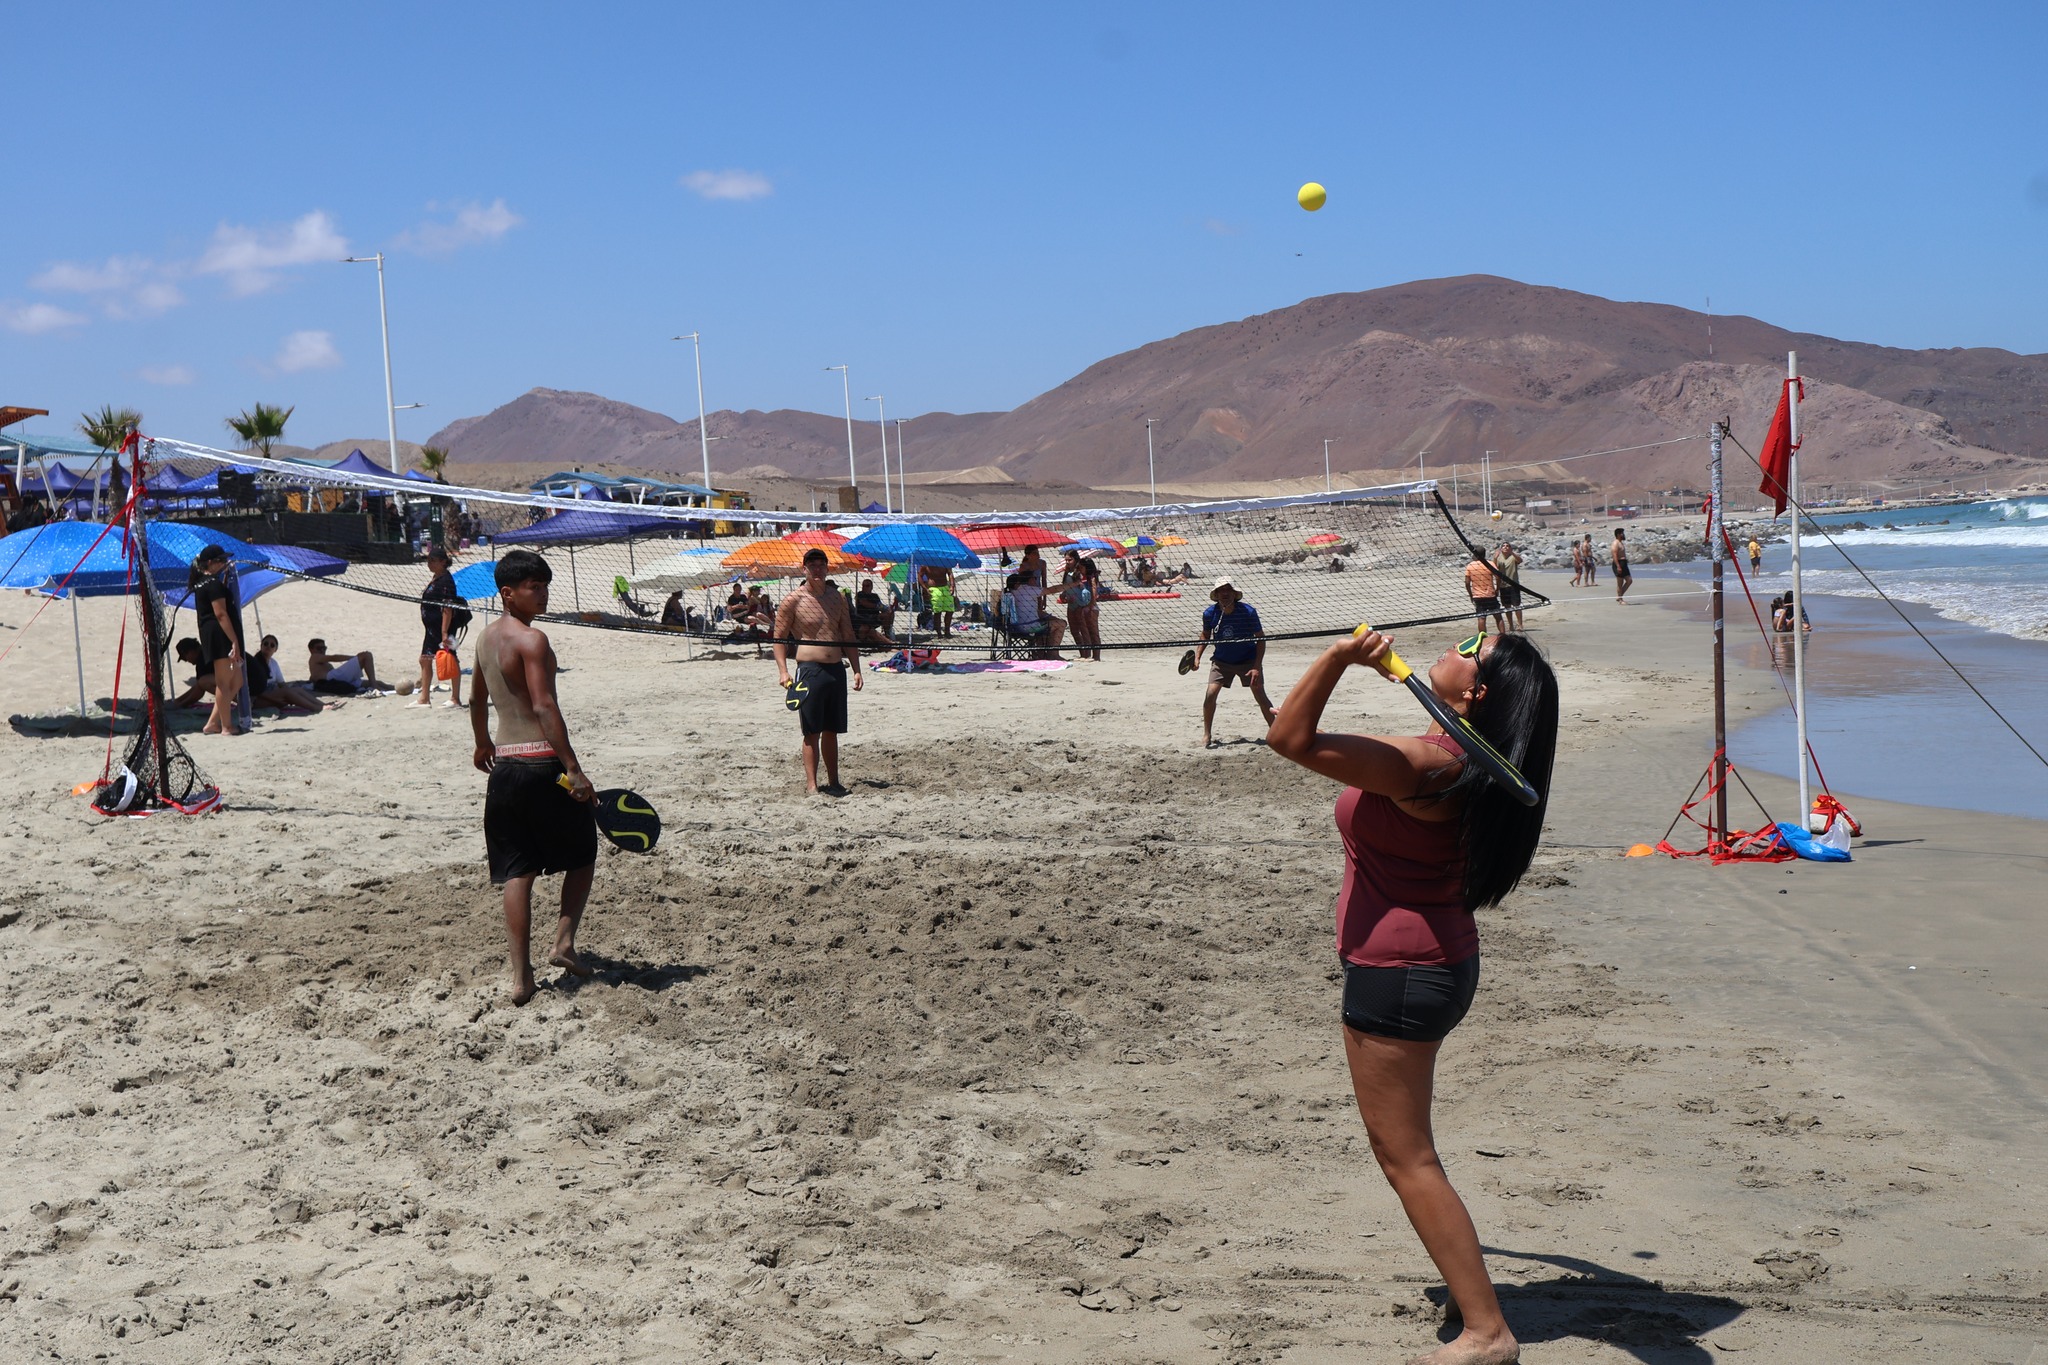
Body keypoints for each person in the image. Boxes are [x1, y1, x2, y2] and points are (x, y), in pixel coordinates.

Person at [1267, 628, 1558, 1365]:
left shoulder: (1432, 764)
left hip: (1400, 974)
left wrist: (1337, 658)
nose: (1457, 643)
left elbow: (1289, 737)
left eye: (1472, 645)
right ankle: (1477, 1306)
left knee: (1406, 1156)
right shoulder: (1460, 758)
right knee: (1407, 1149)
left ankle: (1488, 1331)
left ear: (1476, 693)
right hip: (1436, 962)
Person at [468, 550, 599, 1007]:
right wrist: (574, 769)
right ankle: (563, 943)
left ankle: (521, 978)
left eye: (544, 585)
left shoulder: (485, 639)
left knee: (517, 871)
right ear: (508, 593)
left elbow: (477, 698)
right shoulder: (533, 640)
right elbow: (544, 707)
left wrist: (483, 743)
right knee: (583, 852)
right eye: (533, 587)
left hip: (504, 768)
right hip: (543, 765)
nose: (542, 593)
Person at [773, 547, 864, 795]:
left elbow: (848, 635)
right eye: (811, 565)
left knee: (832, 730)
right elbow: (778, 638)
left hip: (836, 669)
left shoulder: (837, 598)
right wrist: (783, 671)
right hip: (809, 671)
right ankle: (812, 785)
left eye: (821, 564)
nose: (816, 569)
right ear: (804, 569)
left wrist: (856, 669)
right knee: (811, 731)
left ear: (826, 568)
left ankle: (834, 781)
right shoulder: (793, 600)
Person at [1193, 578, 1275, 748]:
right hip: (1222, 661)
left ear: (1234, 593)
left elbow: (1260, 639)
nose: (1224, 593)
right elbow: (1205, 635)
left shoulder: (1248, 612)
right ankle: (1207, 735)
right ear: (1216, 595)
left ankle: (1277, 733)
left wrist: (1256, 667)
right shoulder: (1210, 613)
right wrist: (1197, 656)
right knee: (1210, 695)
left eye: (1227, 589)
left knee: (1261, 696)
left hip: (1248, 661)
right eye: (1220, 590)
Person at [190, 545, 246, 736]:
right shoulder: (212, 585)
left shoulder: (203, 583)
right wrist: (234, 641)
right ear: (210, 563)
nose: (224, 564)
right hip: (219, 634)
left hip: (212, 633)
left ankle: (213, 722)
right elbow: (221, 614)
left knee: (237, 680)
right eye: (220, 561)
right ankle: (226, 726)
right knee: (223, 681)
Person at [416, 547, 468, 709]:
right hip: (432, 629)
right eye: (428, 561)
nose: (429, 564)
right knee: (425, 660)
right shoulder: (437, 578)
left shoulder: (446, 581)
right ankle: (424, 699)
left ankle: (455, 699)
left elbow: (447, 608)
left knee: (451, 659)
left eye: (432, 561)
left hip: (444, 629)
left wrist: (445, 632)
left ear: (443, 562)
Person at [249, 634, 324, 712]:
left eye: (272, 645)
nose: (268, 646)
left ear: (275, 649)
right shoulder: (255, 664)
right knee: (286, 692)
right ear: (261, 646)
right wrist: (277, 700)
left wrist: (291, 693)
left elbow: (282, 684)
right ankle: (315, 708)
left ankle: (322, 704)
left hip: (271, 694)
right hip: (257, 699)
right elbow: (255, 692)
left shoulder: (273, 663)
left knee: (297, 690)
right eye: (265, 644)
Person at [1003, 570, 1066, 650]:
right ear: (1029, 579)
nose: (1036, 580)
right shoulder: (1027, 590)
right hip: (1029, 627)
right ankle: (1053, 653)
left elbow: (1035, 612)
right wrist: (1071, 585)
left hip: (1016, 627)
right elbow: (1052, 590)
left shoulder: (1012, 592)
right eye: (1035, 578)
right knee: (1061, 623)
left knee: (1051, 622)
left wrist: (1049, 616)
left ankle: (1039, 653)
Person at [1060, 553, 1103, 661]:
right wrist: (1064, 593)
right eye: (1066, 560)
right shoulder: (1069, 571)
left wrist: (1090, 605)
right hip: (1073, 603)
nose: (1067, 562)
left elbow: (1093, 589)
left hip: (1084, 605)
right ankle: (1084, 654)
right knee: (1075, 630)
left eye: (1069, 560)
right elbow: (1067, 585)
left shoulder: (1086, 575)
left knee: (1090, 631)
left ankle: (1093, 656)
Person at [308, 639, 379, 694]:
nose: (322, 650)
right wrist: (354, 658)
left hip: (335, 680)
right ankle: (374, 687)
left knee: (379, 683)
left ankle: (386, 689)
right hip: (332, 679)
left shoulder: (318, 662)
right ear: (311, 649)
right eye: (319, 648)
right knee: (366, 655)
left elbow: (314, 677)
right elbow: (333, 658)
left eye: (324, 648)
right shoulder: (315, 656)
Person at [1462, 551, 1504, 637]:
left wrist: (1471, 595)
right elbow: (1498, 577)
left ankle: (1483, 637)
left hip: (1478, 596)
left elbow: (1467, 583)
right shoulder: (1490, 564)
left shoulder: (1471, 566)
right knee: (1498, 616)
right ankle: (1503, 636)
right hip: (1490, 595)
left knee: (1481, 618)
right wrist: (1497, 589)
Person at [171, 638, 218, 708]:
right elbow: (198, 687)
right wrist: (178, 700)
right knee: (202, 682)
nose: (186, 661)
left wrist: (181, 705)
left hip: (232, 685)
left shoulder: (202, 660)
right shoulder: (204, 651)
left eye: (185, 658)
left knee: (203, 682)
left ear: (190, 652)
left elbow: (199, 691)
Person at [852, 577, 896, 648]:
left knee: (890, 613)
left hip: (875, 616)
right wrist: (879, 607)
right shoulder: (860, 594)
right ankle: (887, 635)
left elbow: (880, 606)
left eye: (867, 586)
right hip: (863, 617)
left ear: (871, 587)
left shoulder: (874, 596)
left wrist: (888, 609)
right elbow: (865, 603)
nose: (865, 587)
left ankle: (887, 632)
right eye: (864, 585)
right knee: (885, 615)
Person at [1492, 541, 1525, 632]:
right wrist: (1495, 557)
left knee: (1517, 605)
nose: (1506, 547)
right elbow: (1494, 568)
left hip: (1514, 584)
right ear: (1501, 548)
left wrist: (1512, 553)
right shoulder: (1498, 558)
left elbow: (1520, 560)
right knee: (1507, 606)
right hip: (1503, 585)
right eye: (1504, 546)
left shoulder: (1513, 557)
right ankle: (1510, 625)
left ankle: (1520, 624)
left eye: (1508, 546)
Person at [922, 564, 958, 638]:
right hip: (933, 588)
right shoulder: (926, 563)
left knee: (950, 610)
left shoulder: (944, 561)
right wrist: (925, 588)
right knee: (937, 611)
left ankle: (947, 631)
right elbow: (920, 575)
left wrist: (952, 586)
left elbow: (950, 573)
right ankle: (939, 632)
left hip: (945, 587)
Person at [1611, 527, 1633, 604]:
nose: (1623, 535)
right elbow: (1614, 555)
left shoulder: (1621, 542)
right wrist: (1618, 566)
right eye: (1622, 533)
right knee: (1620, 583)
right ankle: (1620, 599)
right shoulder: (1615, 543)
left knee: (1629, 580)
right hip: (1619, 563)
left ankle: (1619, 596)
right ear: (1618, 534)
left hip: (1623, 563)